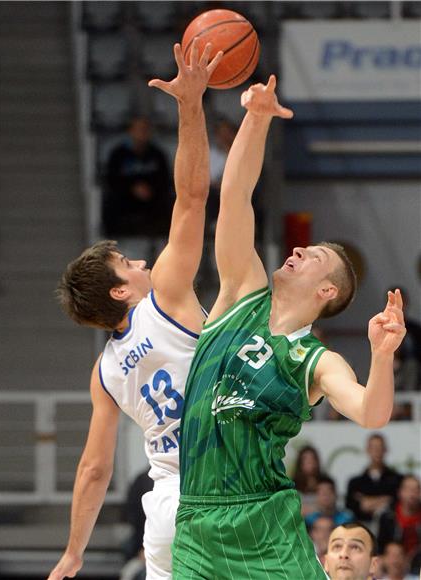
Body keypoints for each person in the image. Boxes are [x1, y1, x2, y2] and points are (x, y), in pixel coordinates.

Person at [172, 75, 407, 579]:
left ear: (328, 292)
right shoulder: (240, 291)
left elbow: (371, 412)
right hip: (194, 518)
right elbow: (234, 198)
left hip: (263, 522)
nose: (297, 250)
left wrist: (382, 355)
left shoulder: (316, 361)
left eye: (313, 256)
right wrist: (255, 121)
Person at [47, 40, 223, 580]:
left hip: (166, 507)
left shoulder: (104, 373)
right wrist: (190, 105)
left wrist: (74, 552)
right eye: (127, 262)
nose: (142, 259)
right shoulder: (166, 297)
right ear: (120, 292)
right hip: (223, 488)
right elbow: (192, 198)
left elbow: (95, 468)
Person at [102, 114, 172, 267]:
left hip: (153, 208)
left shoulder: (157, 154)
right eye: (139, 129)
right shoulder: (118, 155)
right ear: (130, 131)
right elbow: (112, 181)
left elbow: (165, 181)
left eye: (145, 129)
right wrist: (133, 189)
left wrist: (148, 190)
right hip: (125, 209)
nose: (142, 133)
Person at [346, 433, 403, 526]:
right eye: (373, 448)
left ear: (385, 450)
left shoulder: (397, 479)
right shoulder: (355, 482)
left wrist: (368, 501)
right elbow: (350, 506)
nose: (377, 451)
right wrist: (384, 500)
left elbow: (398, 502)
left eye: (380, 448)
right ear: (367, 450)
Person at [377, 475, 421, 559]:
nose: (413, 494)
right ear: (400, 492)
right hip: (393, 561)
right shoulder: (388, 516)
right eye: (408, 489)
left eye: (417, 489)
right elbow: (379, 547)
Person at [292, 445, 327, 515]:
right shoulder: (292, 485)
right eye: (306, 459)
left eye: (312, 459)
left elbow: (328, 504)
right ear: (300, 463)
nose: (310, 462)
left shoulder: (325, 482)